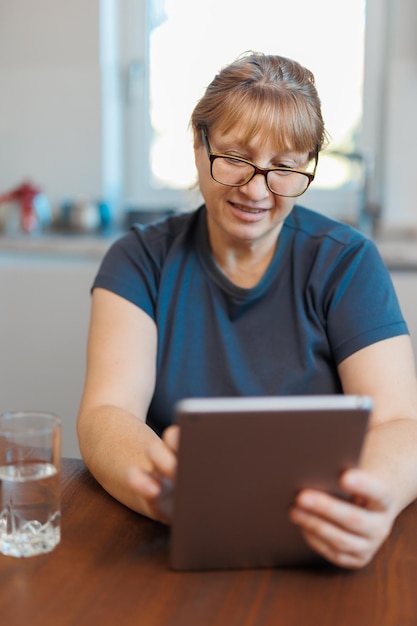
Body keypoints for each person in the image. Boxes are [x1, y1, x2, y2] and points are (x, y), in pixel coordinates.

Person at [77, 52, 417, 569]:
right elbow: (108, 413)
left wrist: (373, 500)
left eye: (284, 167)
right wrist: (159, 489)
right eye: (235, 157)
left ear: (307, 166)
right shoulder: (139, 259)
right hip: (177, 539)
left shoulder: (347, 261)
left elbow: (402, 422)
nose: (256, 189)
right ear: (198, 144)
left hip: (317, 538)